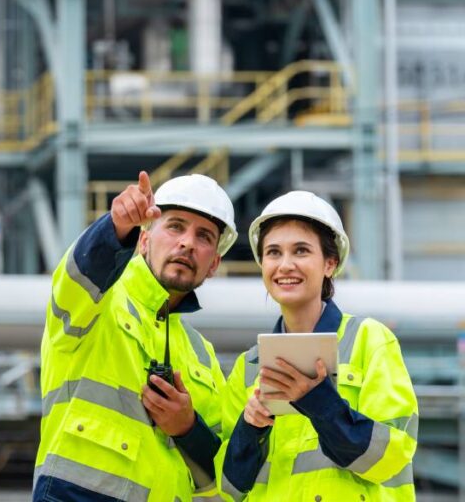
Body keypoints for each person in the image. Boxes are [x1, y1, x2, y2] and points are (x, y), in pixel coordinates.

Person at [33, 171, 237, 502]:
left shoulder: (203, 356)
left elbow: (220, 476)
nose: (187, 242)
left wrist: (188, 428)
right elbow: (76, 277)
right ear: (143, 240)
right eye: (175, 227)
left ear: (213, 263)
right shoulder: (99, 296)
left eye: (204, 236)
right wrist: (115, 227)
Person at [217, 191, 418, 502]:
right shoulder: (249, 366)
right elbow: (228, 489)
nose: (285, 265)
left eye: (300, 251)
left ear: (330, 264)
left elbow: (392, 456)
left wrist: (321, 403)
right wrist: (250, 428)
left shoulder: (368, 340)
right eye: (273, 252)